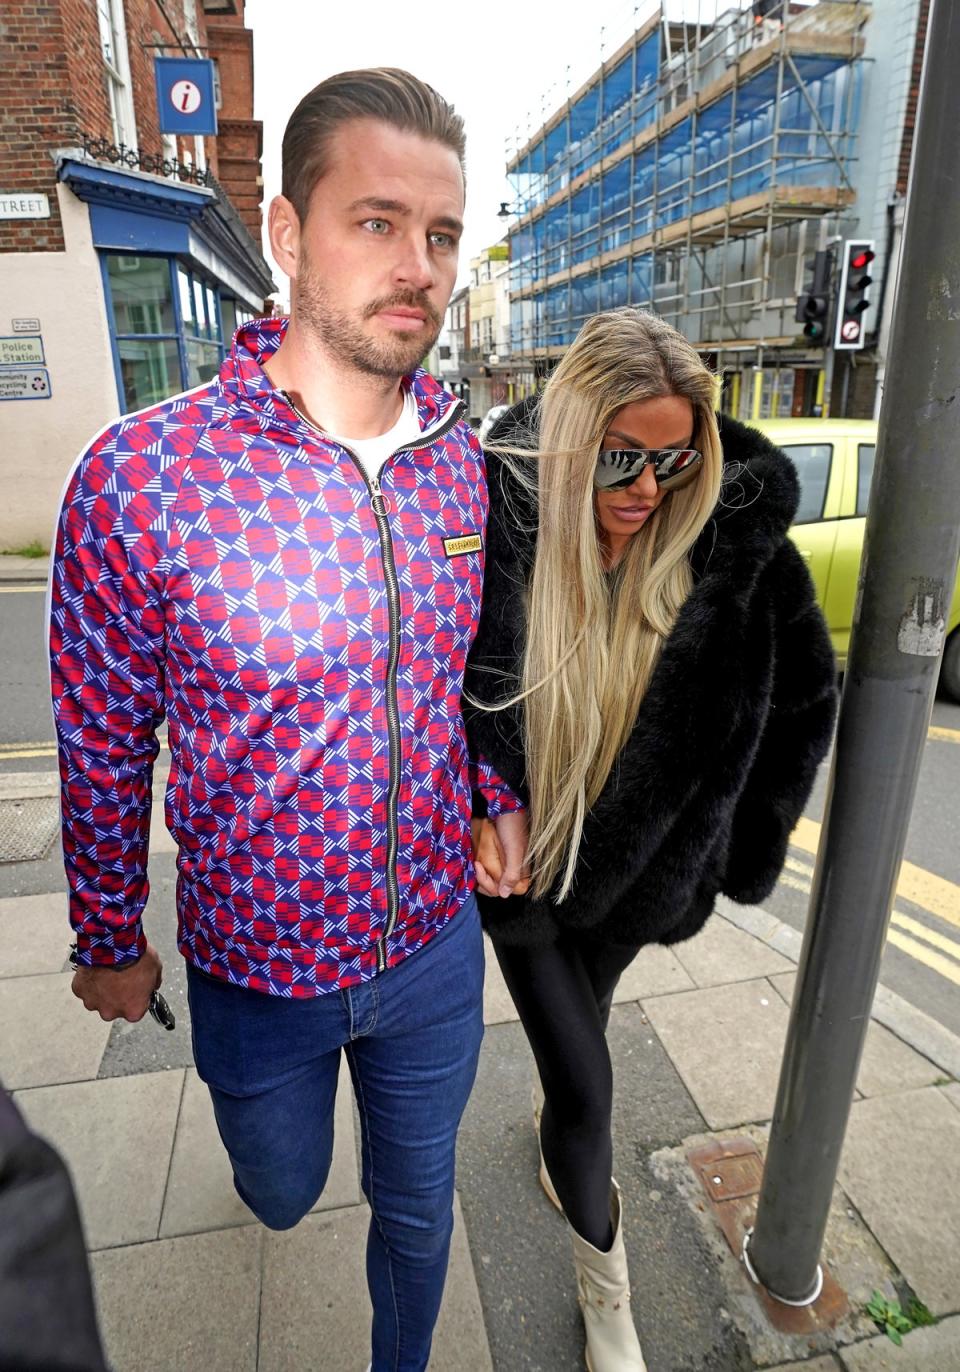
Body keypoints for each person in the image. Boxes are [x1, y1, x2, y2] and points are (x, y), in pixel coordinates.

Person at [50, 68, 524, 1372]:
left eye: (440, 234)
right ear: (282, 231)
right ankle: (266, 1167)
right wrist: (109, 935)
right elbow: (98, 738)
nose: (417, 265)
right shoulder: (143, 478)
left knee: (420, 1210)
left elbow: (478, 673)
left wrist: (497, 803)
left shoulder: (468, 473)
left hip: (432, 950)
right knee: (281, 1189)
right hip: (260, 971)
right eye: (376, 222)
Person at [465, 308, 838, 1371]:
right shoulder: (499, 527)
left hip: (638, 875)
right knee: (587, 1089)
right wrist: (482, 802)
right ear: (574, 438)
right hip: (527, 873)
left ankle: (559, 1115)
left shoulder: (733, 548)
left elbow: (810, 695)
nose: (645, 490)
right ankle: (610, 1300)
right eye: (619, 459)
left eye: (672, 460)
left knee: (592, 1015)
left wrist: (744, 850)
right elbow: (437, 684)